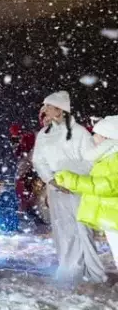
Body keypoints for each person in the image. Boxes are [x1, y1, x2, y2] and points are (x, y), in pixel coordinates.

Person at [32, 90, 106, 284]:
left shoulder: (80, 133)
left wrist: (72, 179)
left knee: (83, 230)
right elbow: (38, 160)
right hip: (56, 189)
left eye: (49, 106)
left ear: (61, 110)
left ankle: (94, 273)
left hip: (78, 188)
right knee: (63, 230)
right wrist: (52, 179)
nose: (44, 110)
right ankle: (69, 269)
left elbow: (90, 161)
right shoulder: (43, 135)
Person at [55, 115, 118, 269]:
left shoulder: (115, 159)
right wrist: (72, 182)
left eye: (96, 135)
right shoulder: (106, 159)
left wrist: (74, 180)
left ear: (107, 138)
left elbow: (109, 185)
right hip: (112, 217)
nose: (93, 138)